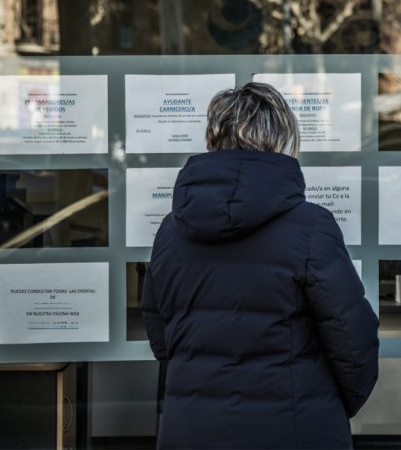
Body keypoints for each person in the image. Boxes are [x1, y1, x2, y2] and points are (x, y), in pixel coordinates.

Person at [142, 82, 379, 449]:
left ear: (213, 137)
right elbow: (353, 340)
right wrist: (325, 404)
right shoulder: (312, 227)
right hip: (295, 429)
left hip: (193, 429)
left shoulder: (170, 232)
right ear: (282, 139)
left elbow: (161, 337)